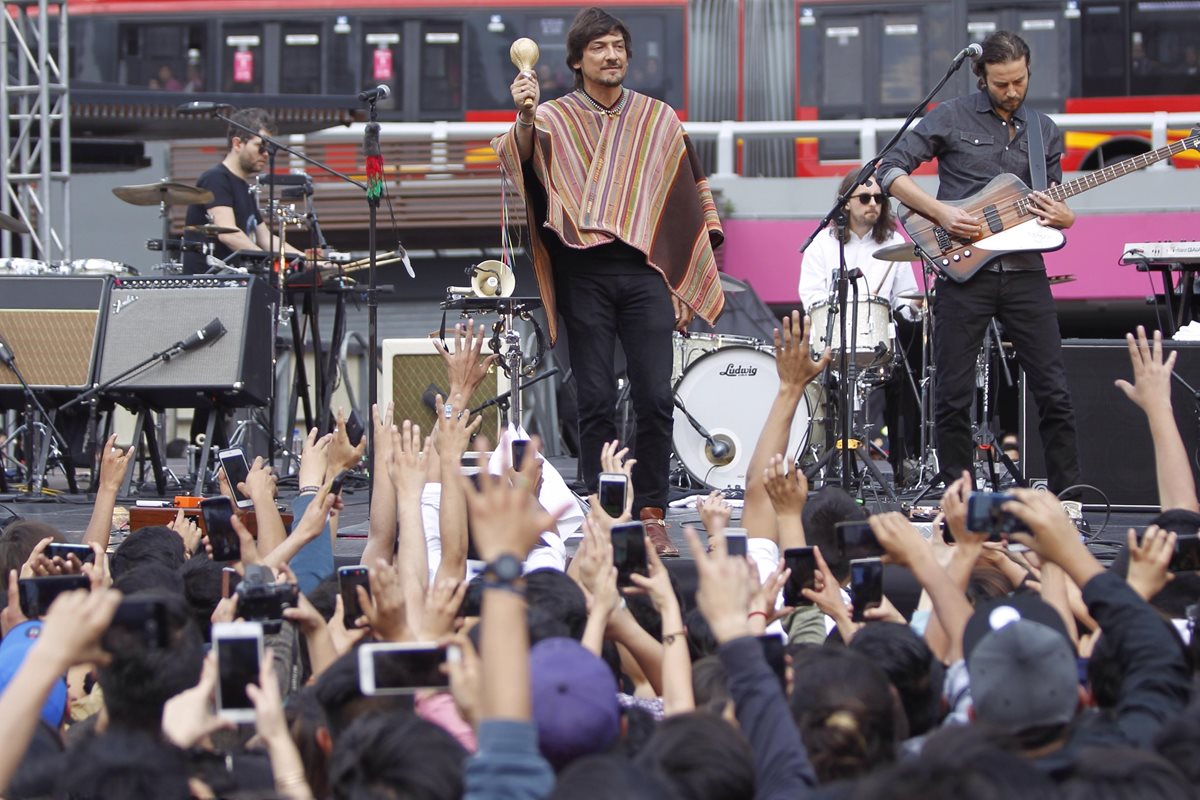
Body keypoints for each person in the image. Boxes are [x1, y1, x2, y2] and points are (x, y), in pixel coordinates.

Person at [491, 6, 725, 556]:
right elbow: (517, 163)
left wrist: (679, 281)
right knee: (592, 398)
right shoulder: (553, 117)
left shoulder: (658, 119)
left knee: (655, 398)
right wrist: (524, 118)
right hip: (583, 270)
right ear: (577, 59)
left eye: (618, 45)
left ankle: (650, 511)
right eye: (598, 47)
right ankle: (601, 507)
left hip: (646, 271)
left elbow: (687, 199)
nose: (611, 55)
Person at [877, 30, 1081, 496]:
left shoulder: (1044, 130)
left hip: (1027, 273)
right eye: (1001, 83)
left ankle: (1069, 502)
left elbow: (1048, 207)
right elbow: (888, 168)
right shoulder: (950, 116)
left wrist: (1065, 218)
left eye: (1019, 81)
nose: (1012, 92)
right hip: (964, 275)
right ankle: (959, 501)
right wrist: (939, 210)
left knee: (1054, 393)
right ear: (980, 76)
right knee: (952, 397)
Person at [799, 170, 923, 465]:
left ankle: (903, 460)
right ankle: (836, 462)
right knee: (825, 387)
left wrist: (915, 308)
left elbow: (906, 298)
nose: (873, 204)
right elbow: (811, 296)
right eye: (865, 197)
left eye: (879, 199)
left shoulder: (893, 242)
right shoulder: (822, 244)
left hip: (880, 341)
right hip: (834, 341)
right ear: (845, 203)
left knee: (906, 375)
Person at [182, 107, 301, 275]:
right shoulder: (216, 179)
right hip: (210, 287)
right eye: (260, 146)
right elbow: (228, 234)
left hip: (232, 286)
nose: (266, 154)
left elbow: (266, 238)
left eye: (269, 148)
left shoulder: (246, 188)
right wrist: (268, 264)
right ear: (237, 143)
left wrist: (304, 260)